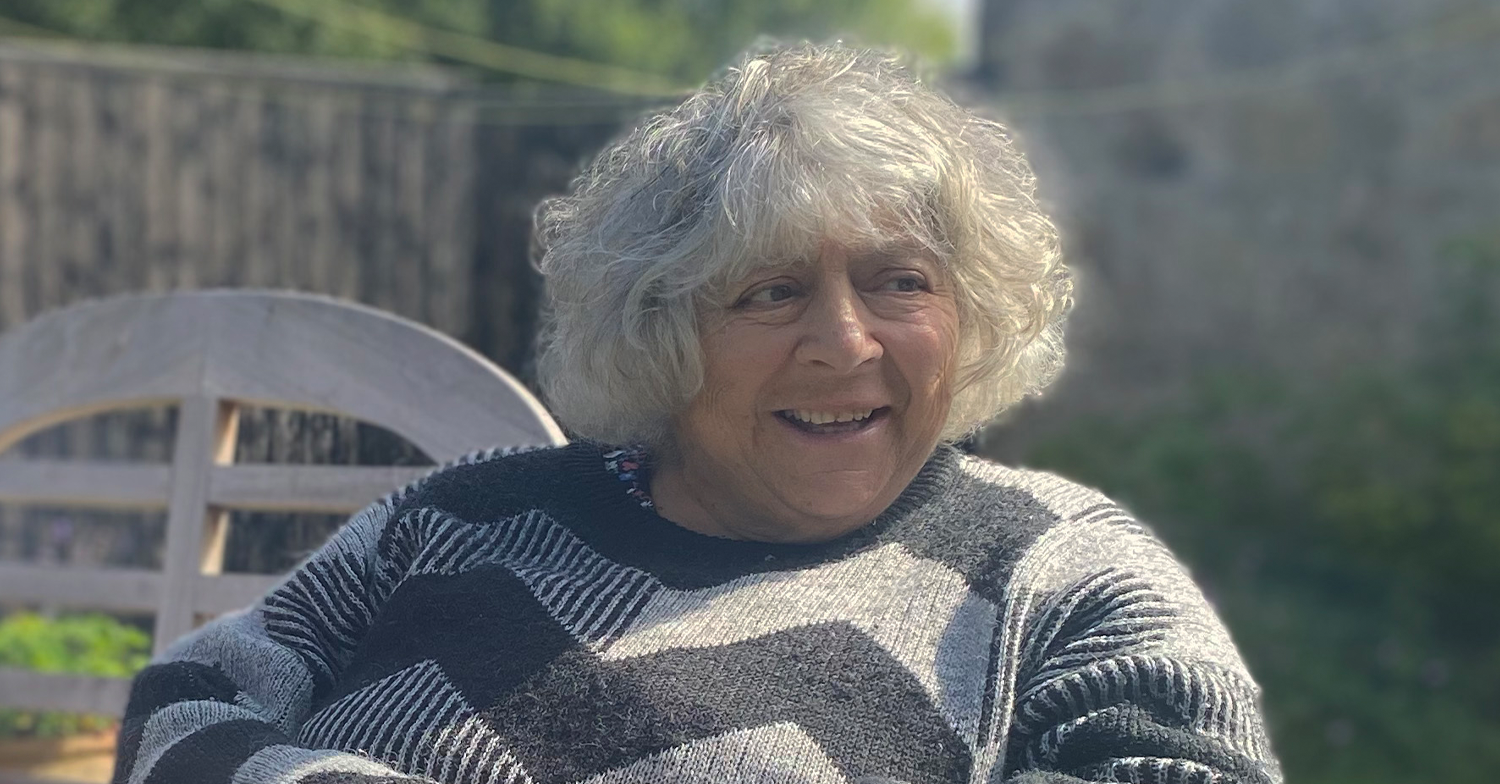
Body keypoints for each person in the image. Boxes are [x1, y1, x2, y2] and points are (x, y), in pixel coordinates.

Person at [113, 43, 1283, 784]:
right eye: (771, 290)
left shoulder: (1058, 569)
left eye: (901, 280)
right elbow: (186, 702)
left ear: (972, 314)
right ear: (663, 328)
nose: (844, 339)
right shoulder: (463, 515)